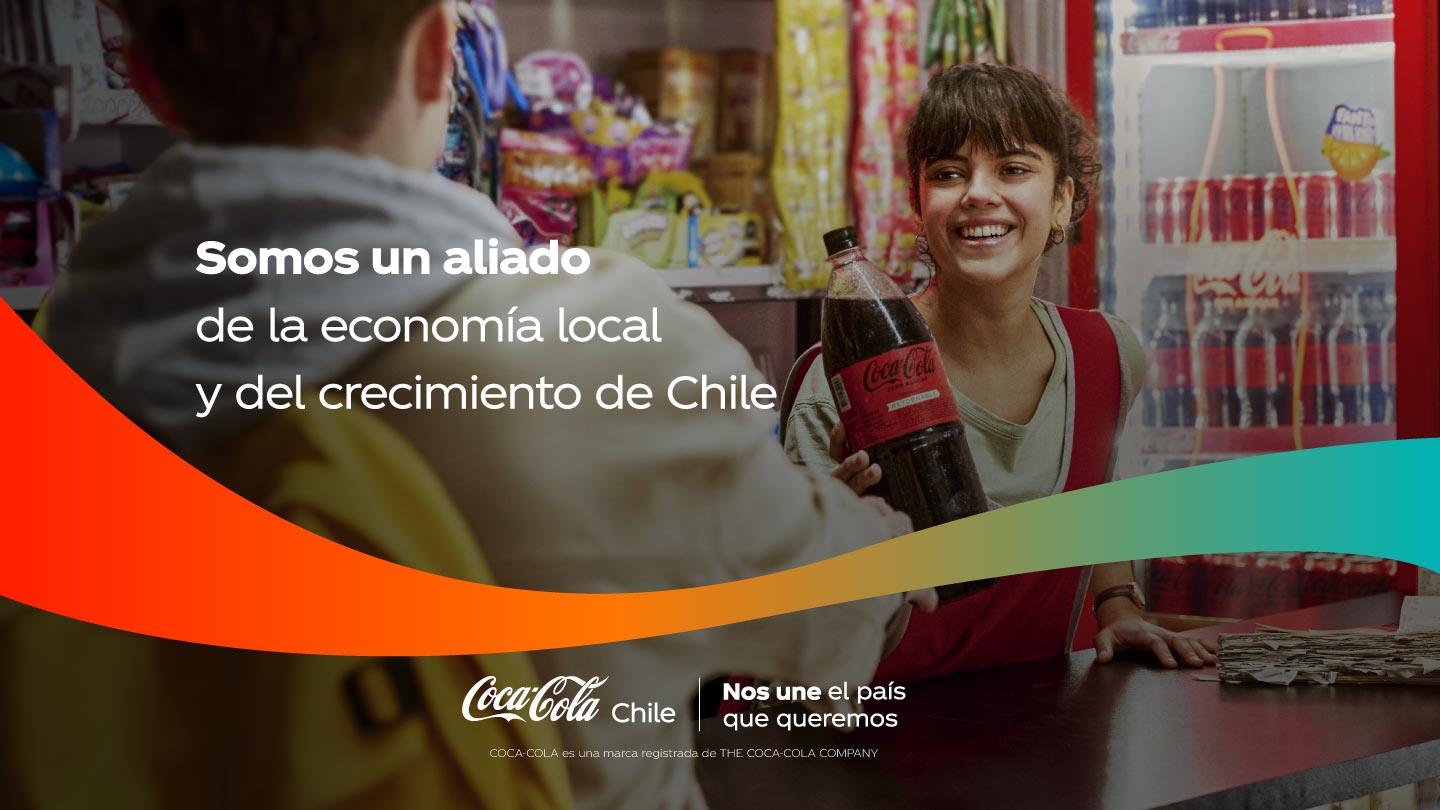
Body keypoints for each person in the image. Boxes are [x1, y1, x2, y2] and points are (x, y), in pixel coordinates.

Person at [37, 2, 929, 808]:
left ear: (147, 78)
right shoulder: (601, 338)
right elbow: (835, 619)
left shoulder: (52, 395)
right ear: (436, 57)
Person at [786, 63, 1219, 683]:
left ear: (1063, 199)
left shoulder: (1107, 353)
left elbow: (1094, 492)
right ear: (919, 203)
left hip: (1046, 745)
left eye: (1013, 169)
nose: (977, 194)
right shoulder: (846, 378)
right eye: (948, 174)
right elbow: (791, 641)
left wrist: (1117, 602)